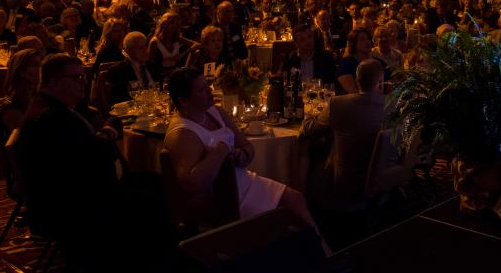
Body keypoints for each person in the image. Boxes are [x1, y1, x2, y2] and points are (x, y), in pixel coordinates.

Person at [18, 55, 168, 273]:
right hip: (71, 206)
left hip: (80, 190)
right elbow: (85, 161)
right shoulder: (50, 117)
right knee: (156, 199)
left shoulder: (56, 105)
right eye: (77, 77)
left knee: (155, 181)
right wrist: (107, 136)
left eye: (84, 76)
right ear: (54, 82)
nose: (84, 81)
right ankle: (140, 271)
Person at [163, 67, 328, 252]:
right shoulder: (182, 133)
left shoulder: (215, 112)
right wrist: (221, 151)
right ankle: (311, 258)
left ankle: (322, 251)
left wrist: (242, 156)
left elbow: (246, 145)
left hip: (243, 180)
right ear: (183, 101)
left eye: (207, 86)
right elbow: (192, 183)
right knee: (283, 220)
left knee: (296, 199)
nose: (209, 91)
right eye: (201, 90)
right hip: (224, 197)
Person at [303, 59, 387, 208]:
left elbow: (309, 129)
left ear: (356, 80)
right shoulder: (391, 106)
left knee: (312, 152)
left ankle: (311, 204)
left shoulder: (337, 104)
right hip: (382, 176)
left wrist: (308, 113)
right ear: (380, 81)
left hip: (342, 178)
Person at [104, 31, 158, 105]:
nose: (145, 50)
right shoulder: (117, 71)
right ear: (128, 50)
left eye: (146, 46)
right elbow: (115, 101)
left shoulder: (152, 67)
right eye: (140, 47)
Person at [278, 23, 337, 88]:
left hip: (318, 95)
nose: (308, 41)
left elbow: (331, 84)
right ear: (296, 43)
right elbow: (281, 82)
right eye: (303, 39)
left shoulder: (326, 57)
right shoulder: (288, 59)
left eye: (309, 37)